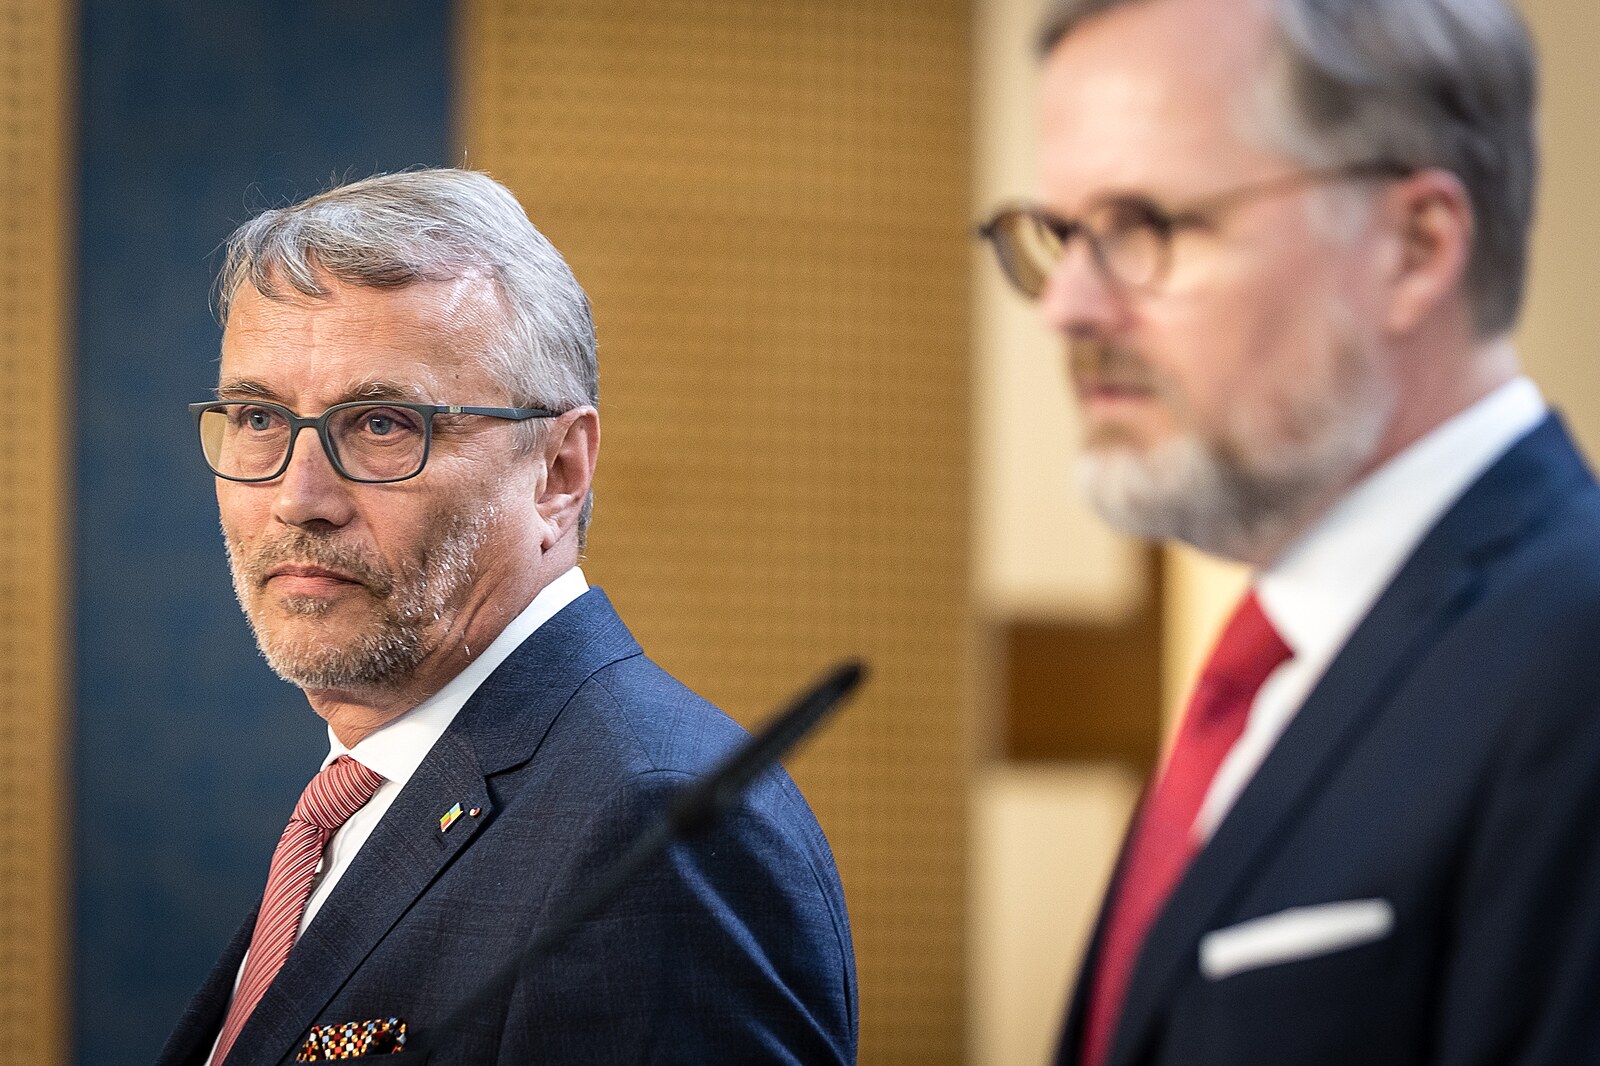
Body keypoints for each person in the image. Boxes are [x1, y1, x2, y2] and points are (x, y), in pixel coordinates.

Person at [979, 0, 1600, 1063]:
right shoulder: (1274, 660)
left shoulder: (1574, 651)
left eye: (1144, 226)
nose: (1067, 307)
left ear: (1414, 248)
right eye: (1061, 235)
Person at [157, 168, 857, 1066]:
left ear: (558, 472)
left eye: (382, 424)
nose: (299, 498)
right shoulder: (366, 789)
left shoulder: (652, 829)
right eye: (258, 417)